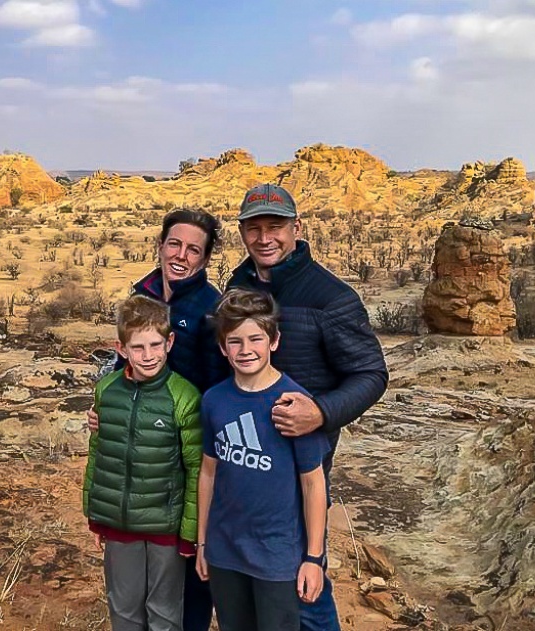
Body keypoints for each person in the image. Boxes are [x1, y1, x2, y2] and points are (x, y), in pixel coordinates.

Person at [226, 183, 389, 630]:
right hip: (243, 460)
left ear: (297, 227)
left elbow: (371, 375)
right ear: (242, 232)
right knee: (251, 577)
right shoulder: (238, 286)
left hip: (300, 466)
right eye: (254, 228)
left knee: (304, 580)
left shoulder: (329, 296)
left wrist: (319, 413)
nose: (265, 238)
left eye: (275, 227)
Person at [89, 208, 227, 631]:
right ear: (161, 244)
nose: (181, 255)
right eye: (175, 244)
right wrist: (106, 409)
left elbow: (219, 384)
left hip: (186, 446)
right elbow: (119, 364)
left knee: (185, 576)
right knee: (131, 595)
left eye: (193, 249)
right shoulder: (144, 292)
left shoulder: (209, 308)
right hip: (139, 453)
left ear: (204, 259)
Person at [196, 288, 330, 631]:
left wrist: (313, 558)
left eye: (255, 338)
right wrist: (203, 543)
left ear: (273, 341)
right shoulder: (214, 401)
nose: (245, 350)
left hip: (276, 557)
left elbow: (313, 483)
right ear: (223, 347)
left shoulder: (295, 406)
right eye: (235, 341)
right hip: (225, 551)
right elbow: (208, 473)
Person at [83, 294, 203, 631]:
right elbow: (99, 455)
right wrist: (96, 514)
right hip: (119, 524)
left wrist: (190, 531)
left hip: (166, 526)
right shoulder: (106, 390)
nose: (148, 356)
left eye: (155, 345)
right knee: (123, 608)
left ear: (170, 342)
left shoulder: (184, 397)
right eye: (138, 348)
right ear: (121, 348)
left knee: (164, 611)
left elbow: (196, 469)